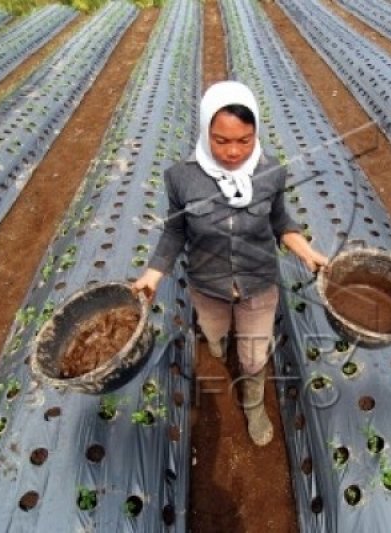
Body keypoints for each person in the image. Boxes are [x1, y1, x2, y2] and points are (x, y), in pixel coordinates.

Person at [131, 80, 327, 446]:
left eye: (245, 140)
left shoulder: (271, 172)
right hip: (207, 284)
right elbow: (175, 232)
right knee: (215, 334)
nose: (234, 151)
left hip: (258, 283)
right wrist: (152, 275)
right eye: (221, 141)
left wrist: (306, 251)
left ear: (256, 134)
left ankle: (253, 404)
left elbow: (280, 221)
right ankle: (219, 343)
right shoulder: (181, 177)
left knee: (253, 357)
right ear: (206, 130)